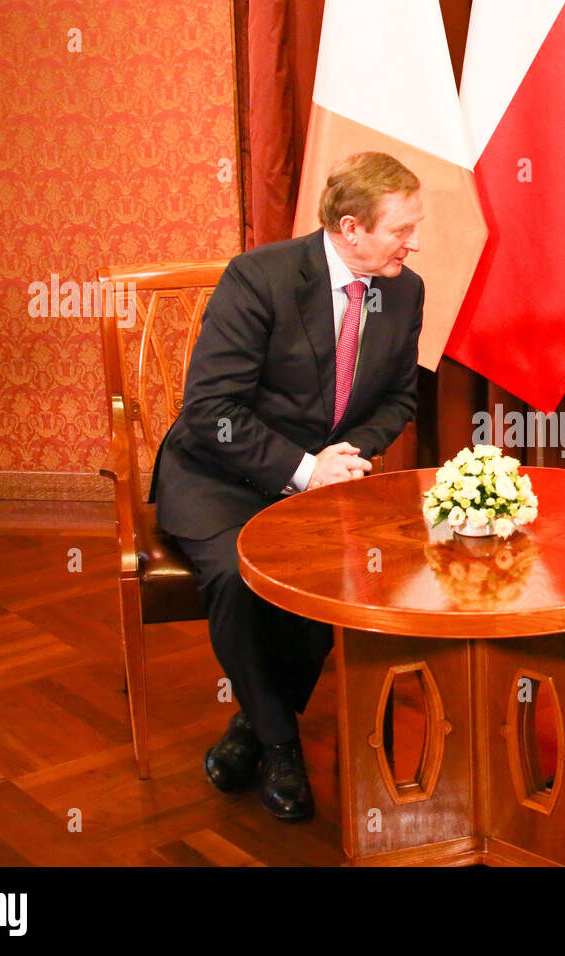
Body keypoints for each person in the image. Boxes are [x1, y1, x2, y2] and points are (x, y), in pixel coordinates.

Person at [150, 151, 425, 821]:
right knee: (238, 579)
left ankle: (253, 726)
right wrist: (304, 470)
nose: (412, 244)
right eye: (401, 229)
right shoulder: (261, 278)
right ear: (351, 228)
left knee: (329, 587)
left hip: (325, 478)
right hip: (221, 474)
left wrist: (345, 456)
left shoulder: (405, 289)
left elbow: (400, 398)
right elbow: (208, 412)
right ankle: (281, 746)